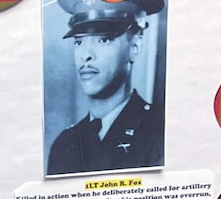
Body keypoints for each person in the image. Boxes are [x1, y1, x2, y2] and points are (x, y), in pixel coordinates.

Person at [46, 0, 165, 177]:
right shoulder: (64, 144)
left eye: (103, 39)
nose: (86, 55)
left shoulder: (159, 134)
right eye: (78, 41)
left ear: (135, 46)